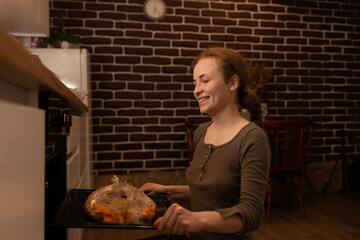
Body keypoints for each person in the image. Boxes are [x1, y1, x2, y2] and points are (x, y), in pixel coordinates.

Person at [140, 47, 271, 240]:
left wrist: (196, 220)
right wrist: (168, 190)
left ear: (233, 83)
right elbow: (211, 192)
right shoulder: (201, 132)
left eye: (205, 80)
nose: (196, 90)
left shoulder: (252, 138)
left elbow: (251, 213)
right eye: (195, 83)